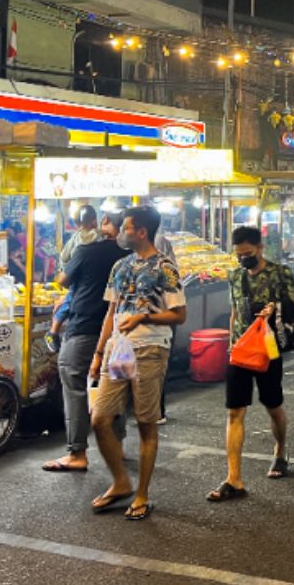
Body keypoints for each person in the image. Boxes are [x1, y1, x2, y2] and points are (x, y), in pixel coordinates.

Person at [89, 206, 186, 521]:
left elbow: (178, 315)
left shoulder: (165, 267)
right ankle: (120, 481)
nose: (120, 233)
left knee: (146, 424)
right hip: (119, 350)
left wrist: (145, 316)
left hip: (150, 349)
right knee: (100, 418)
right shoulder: (120, 266)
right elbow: (111, 313)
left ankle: (142, 493)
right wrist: (99, 352)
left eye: (126, 228)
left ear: (141, 232)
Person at [208, 226, 294, 501]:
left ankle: (280, 451)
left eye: (247, 253)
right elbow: (234, 311)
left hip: (268, 350)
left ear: (259, 248)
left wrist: (275, 308)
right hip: (240, 351)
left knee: (273, 405)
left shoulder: (279, 272)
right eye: (238, 255)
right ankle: (234, 478)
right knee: (235, 412)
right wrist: (231, 345)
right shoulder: (234, 276)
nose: (242, 259)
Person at [42, 210, 129, 473]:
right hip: (120, 332)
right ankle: (117, 445)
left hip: (84, 329)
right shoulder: (131, 257)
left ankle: (77, 452)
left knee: (74, 386)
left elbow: (62, 280)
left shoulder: (87, 251)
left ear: (104, 224)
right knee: (115, 386)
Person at [46, 205, 102, 353]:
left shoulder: (76, 236)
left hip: (74, 273)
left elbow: (64, 256)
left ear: (76, 223)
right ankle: (52, 331)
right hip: (82, 276)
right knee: (68, 301)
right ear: (94, 221)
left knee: (69, 300)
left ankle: (54, 331)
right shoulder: (96, 235)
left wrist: (66, 268)